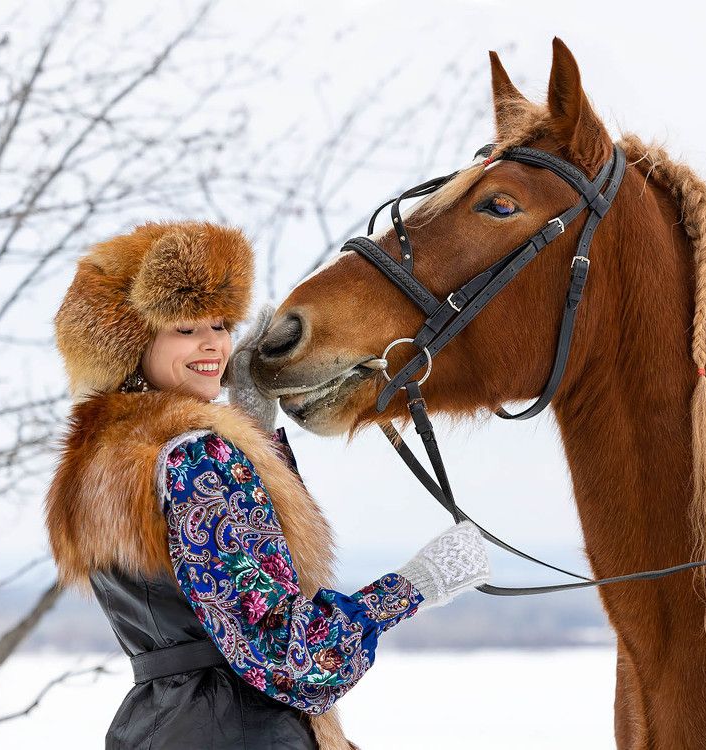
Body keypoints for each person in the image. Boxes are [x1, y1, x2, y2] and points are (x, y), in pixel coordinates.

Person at [44, 221, 490, 749]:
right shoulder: (198, 458)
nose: (213, 345)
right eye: (186, 330)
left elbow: (218, 589)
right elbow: (290, 657)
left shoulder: (103, 460)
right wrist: (417, 585)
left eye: (220, 324)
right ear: (131, 344)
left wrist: (255, 428)